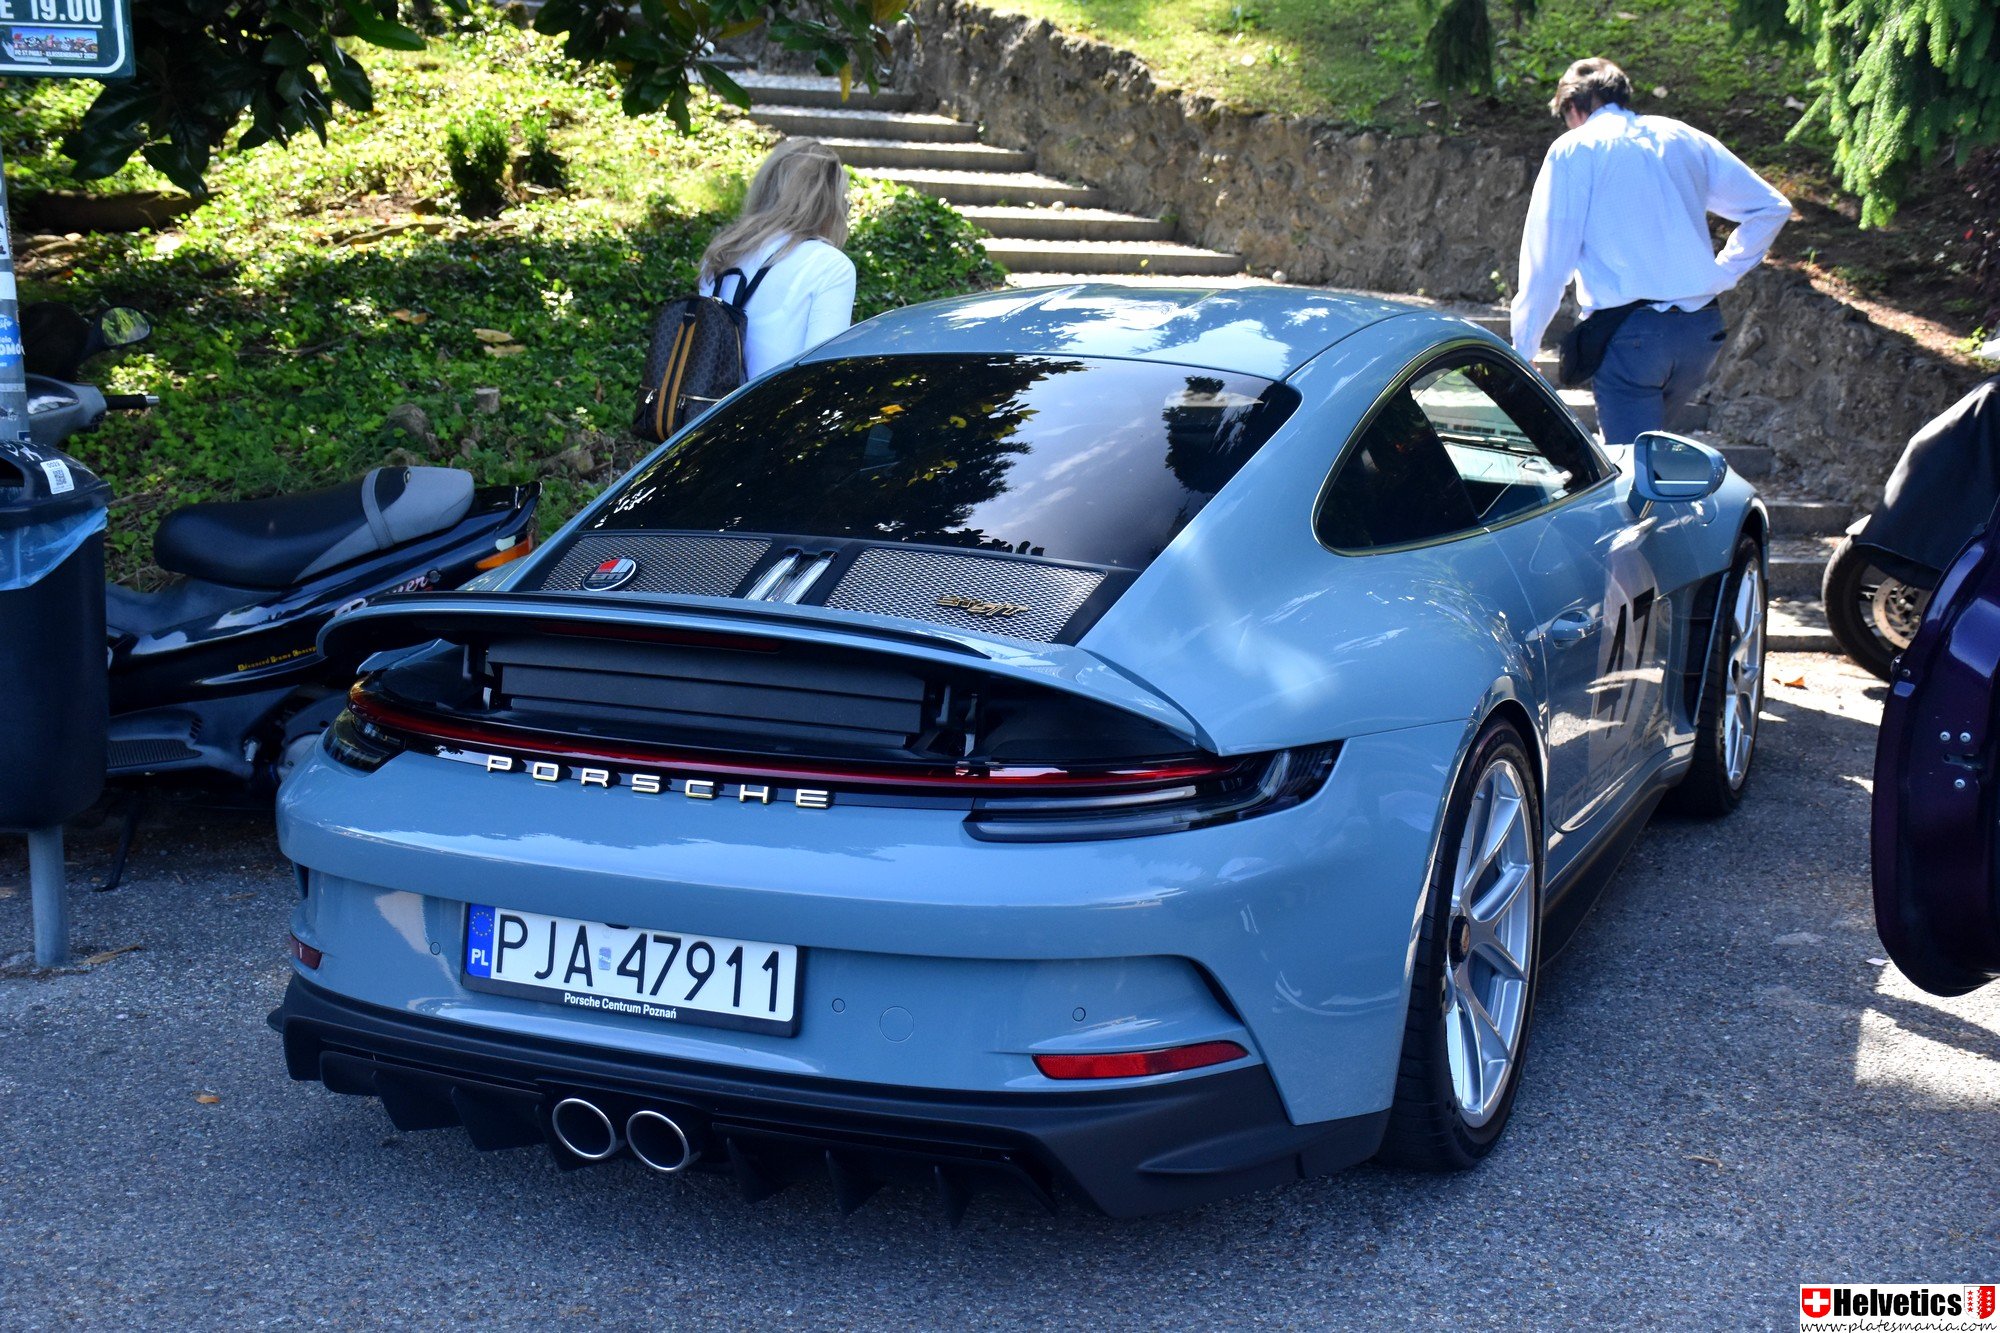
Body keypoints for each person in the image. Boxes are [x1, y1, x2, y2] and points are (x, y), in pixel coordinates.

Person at [1509, 58, 1792, 445]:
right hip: (1699, 332)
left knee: (1634, 473)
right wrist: (1723, 272)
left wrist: (1522, 352)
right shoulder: (1683, 137)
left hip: (1631, 338)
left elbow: (1547, 264)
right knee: (1653, 459)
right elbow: (1770, 207)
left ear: (1574, 107)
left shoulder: (1574, 149)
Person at [698, 138, 858, 380]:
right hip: (778, 414)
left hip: (708, 415)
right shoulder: (830, 267)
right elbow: (820, 374)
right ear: (829, 201)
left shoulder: (721, 254)